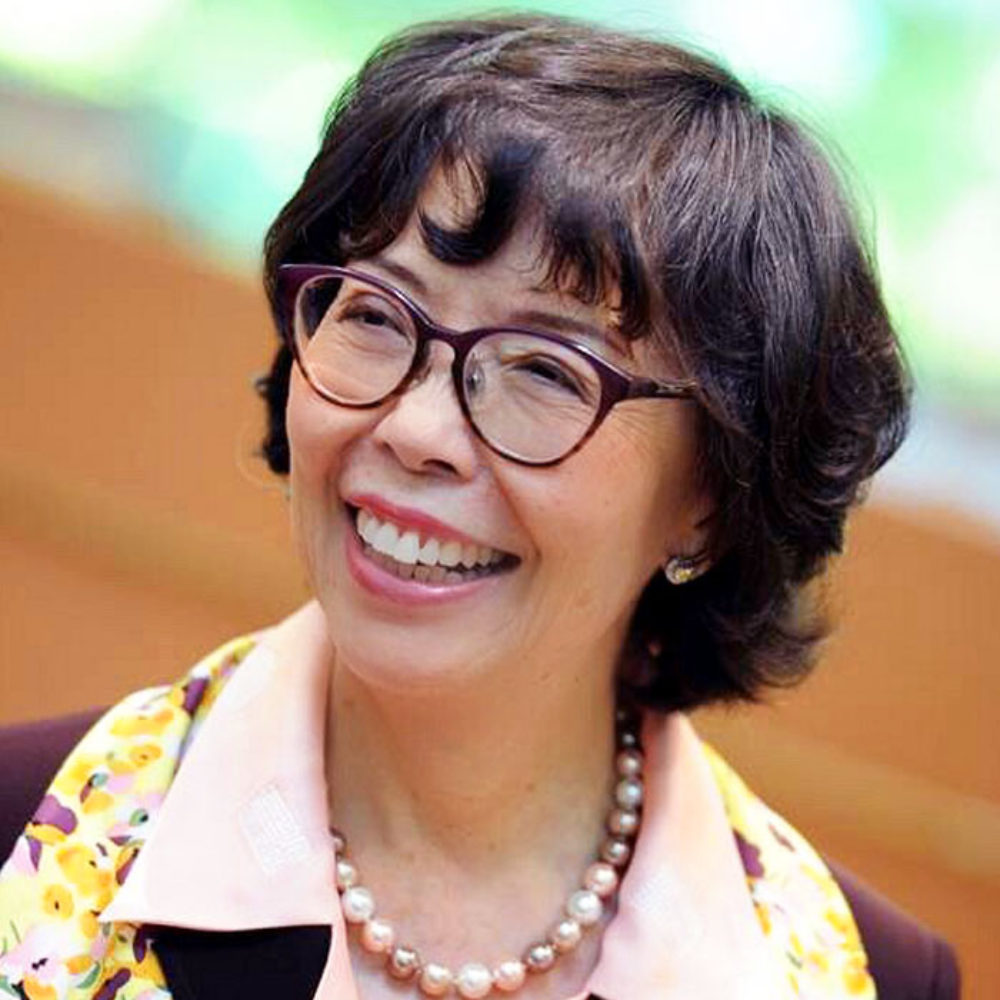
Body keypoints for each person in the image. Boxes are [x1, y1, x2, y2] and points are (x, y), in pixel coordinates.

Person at [0, 13, 960, 1000]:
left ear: (712, 499)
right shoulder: (24, 837)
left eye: (543, 370)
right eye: (374, 312)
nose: (416, 429)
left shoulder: (863, 974)